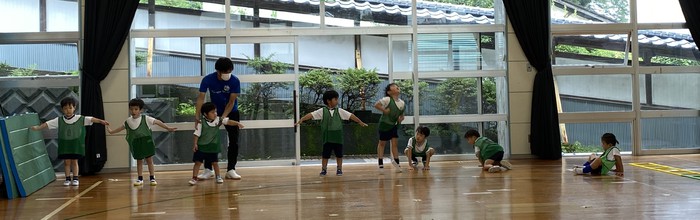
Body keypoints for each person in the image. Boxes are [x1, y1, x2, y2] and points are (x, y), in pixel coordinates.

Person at [30, 97, 110, 186]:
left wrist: (101, 121)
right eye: (65, 108)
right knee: (66, 162)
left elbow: (91, 119)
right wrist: (37, 128)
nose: (68, 110)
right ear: (62, 109)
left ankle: (75, 178)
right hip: (65, 145)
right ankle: (67, 179)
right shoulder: (59, 120)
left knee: (74, 161)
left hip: (76, 145)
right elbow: (47, 124)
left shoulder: (80, 118)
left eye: (70, 108)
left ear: (74, 108)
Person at [106, 98, 177, 186]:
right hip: (136, 143)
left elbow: (157, 122)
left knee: (149, 160)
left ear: (141, 110)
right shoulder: (128, 121)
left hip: (146, 142)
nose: (133, 111)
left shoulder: (146, 118)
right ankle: (140, 178)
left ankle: (152, 178)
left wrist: (167, 128)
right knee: (139, 161)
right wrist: (111, 131)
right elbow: (120, 128)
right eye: (131, 109)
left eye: (136, 109)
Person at [295, 90, 368, 176]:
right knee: (325, 155)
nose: (337, 101)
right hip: (327, 138)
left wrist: (360, 122)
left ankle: (339, 168)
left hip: (338, 138)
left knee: (339, 155)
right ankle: (324, 169)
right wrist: (302, 119)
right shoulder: (322, 111)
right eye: (335, 99)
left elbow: (351, 116)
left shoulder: (340, 111)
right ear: (328, 101)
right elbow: (311, 115)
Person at [195, 57, 242, 180]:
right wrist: (197, 115)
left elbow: (231, 102)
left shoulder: (235, 81)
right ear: (218, 71)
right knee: (208, 140)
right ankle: (208, 169)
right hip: (213, 112)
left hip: (231, 112)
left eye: (229, 71)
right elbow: (201, 98)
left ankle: (231, 169)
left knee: (234, 141)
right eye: (225, 72)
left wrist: (223, 117)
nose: (227, 74)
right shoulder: (208, 79)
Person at [189, 102, 244, 185]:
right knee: (197, 162)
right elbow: (196, 134)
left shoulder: (218, 120)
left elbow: (228, 121)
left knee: (215, 163)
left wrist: (237, 123)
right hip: (201, 147)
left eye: (215, 111)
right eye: (212, 112)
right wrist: (195, 144)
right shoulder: (201, 123)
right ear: (205, 114)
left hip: (212, 147)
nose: (215, 114)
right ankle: (194, 178)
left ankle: (218, 176)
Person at [375, 83, 405, 173]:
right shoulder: (387, 99)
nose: (397, 87)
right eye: (394, 86)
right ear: (389, 92)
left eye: (397, 86)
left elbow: (401, 115)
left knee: (394, 144)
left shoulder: (402, 103)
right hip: (384, 125)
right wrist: (384, 110)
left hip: (394, 125)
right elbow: (376, 105)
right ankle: (380, 164)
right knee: (382, 144)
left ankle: (397, 163)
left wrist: (401, 119)